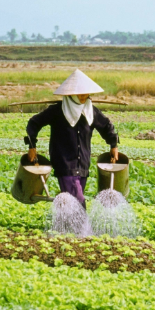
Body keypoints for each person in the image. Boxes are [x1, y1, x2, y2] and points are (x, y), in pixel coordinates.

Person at [25, 69, 118, 208]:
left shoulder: (90, 111)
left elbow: (107, 127)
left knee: (71, 202)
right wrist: (32, 146)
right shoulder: (57, 111)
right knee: (78, 202)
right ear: (71, 93)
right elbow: (34, 123)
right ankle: (83, 228)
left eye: (86, 92)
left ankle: (64, 226)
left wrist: (114, 145)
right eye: (79, 92)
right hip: (65, 164)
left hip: (84, 164)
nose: (83, 95)